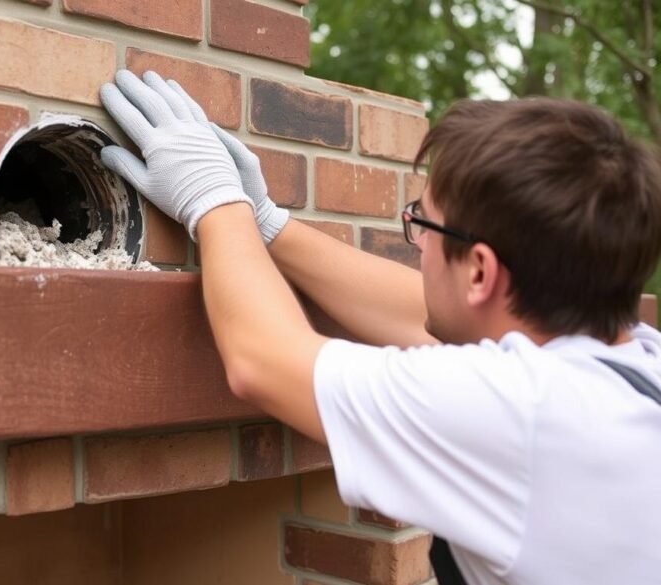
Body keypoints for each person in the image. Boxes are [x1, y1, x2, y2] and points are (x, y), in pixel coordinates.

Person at [98, 69, 661, 585]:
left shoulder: (519, 414)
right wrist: (267, 225)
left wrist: (213, 201)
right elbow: (421, 312)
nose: (419, 248)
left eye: (424, 226)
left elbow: (263, 360)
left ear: (482, 270)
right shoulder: (634, 363)